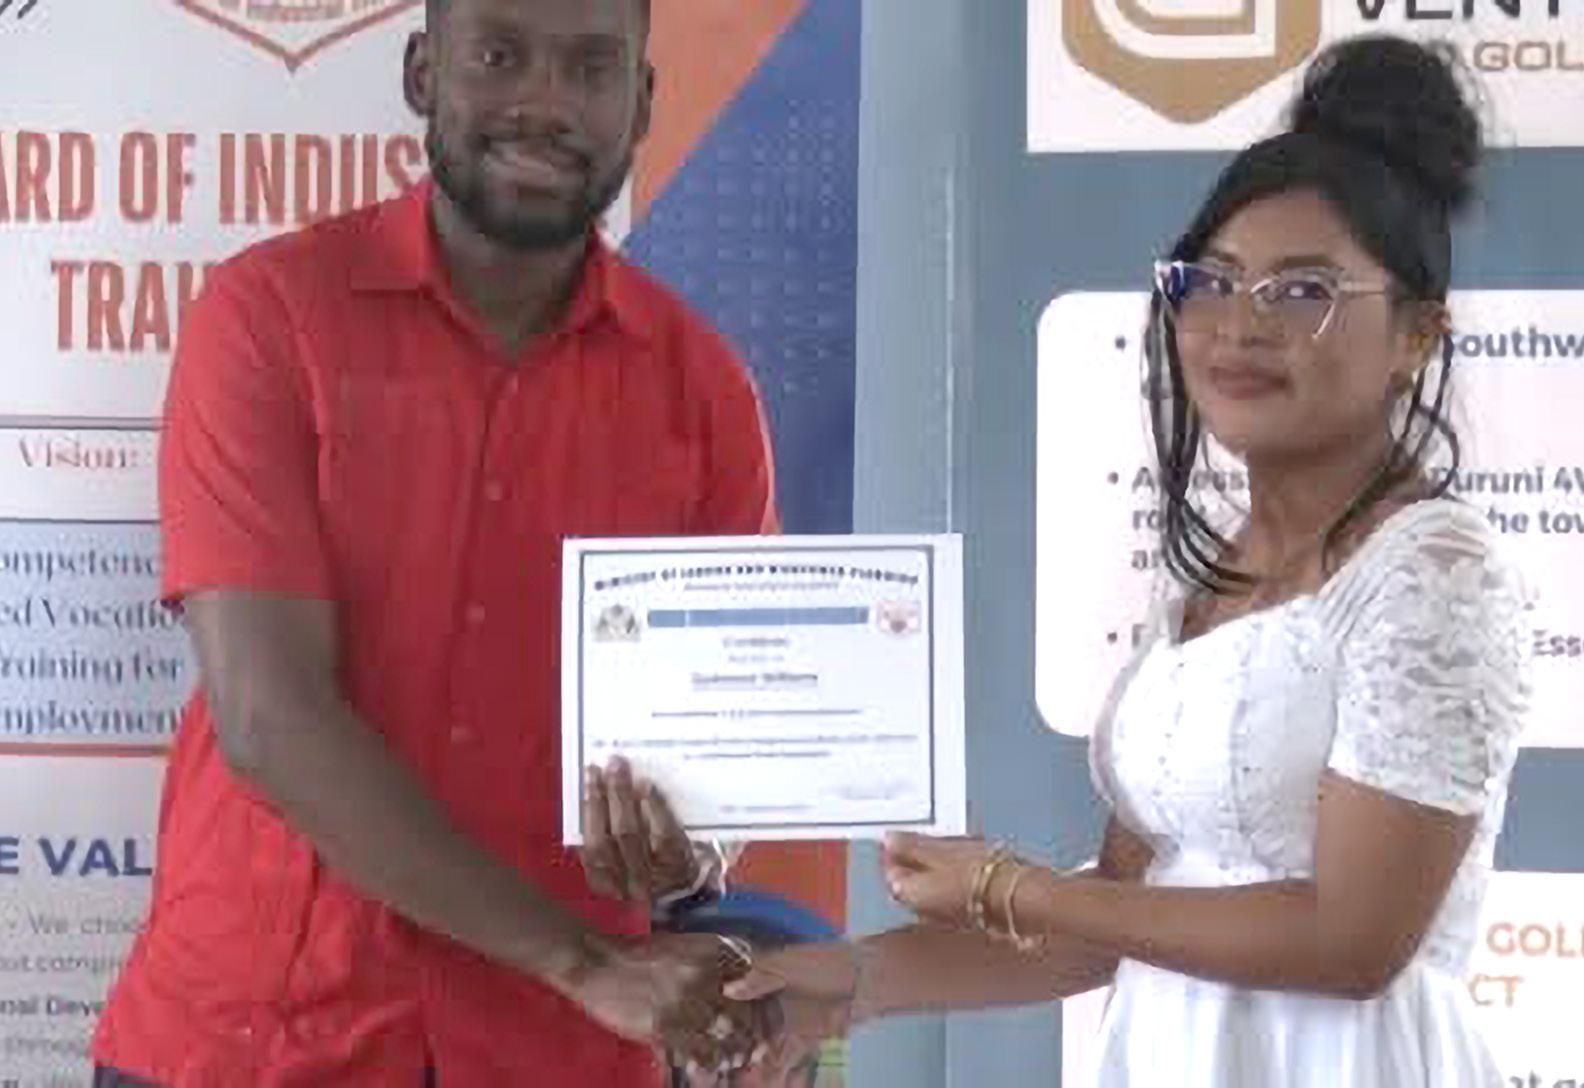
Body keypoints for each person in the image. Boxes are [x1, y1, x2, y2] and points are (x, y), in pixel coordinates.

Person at [734, 35, 1529, 1088]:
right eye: (1214, 281)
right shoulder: (1207, 575)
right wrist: (854, 979)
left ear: (1416, 336)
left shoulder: (1435, 572)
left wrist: (1008, 885)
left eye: (1303, 291)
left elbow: (1352, 939)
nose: (1240, 326)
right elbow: (1112, 916)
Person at [92, 0, 779, 1084]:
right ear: (423, 73)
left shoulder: (702, 389)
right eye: (500, 55)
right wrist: (582, 959)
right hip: (258, 1039)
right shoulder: (269, 317)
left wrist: (690, 849)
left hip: (554, 1056)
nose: (545, 102)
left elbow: (722, 754)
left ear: (642, 103)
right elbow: (269, 720)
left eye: (591, 68)